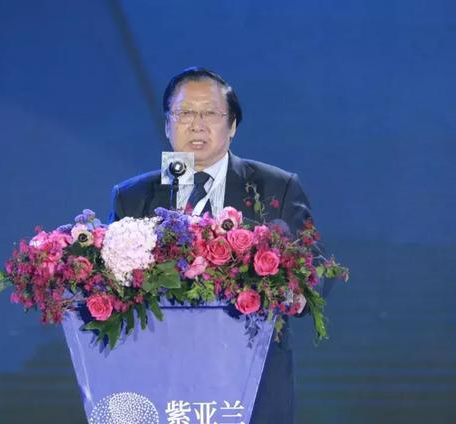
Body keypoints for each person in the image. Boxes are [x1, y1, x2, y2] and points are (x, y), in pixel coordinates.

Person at [108, 67, 319, 423]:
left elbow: (314, 263)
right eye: (185, 113)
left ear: (232, 125)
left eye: (210, 113)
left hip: (251, 376)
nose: (197, 125)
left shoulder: (274, 187)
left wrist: (295, 291)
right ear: (167, 124)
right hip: (160, 380)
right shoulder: (133, 196)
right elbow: (109, 280)